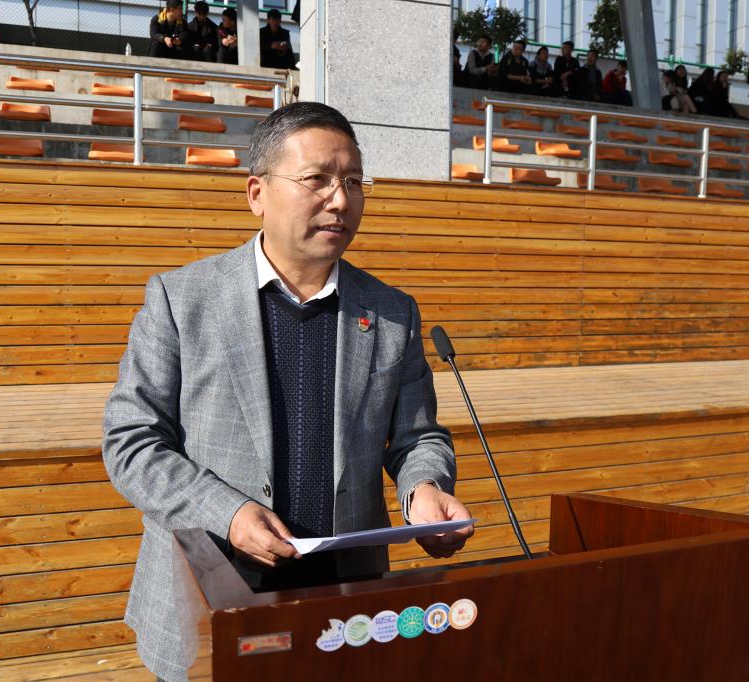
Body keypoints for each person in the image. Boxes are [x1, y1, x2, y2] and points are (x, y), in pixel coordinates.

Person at [102, 101, 474, 682]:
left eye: (354, 182)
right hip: (215, 587)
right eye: (317, 179)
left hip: (346, 600)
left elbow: (417, 437)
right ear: (257, 193)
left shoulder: (391, 312)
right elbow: (132, 443)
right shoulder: (181, 300)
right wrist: (227, 513)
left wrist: (422, 489)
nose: (340, 200)